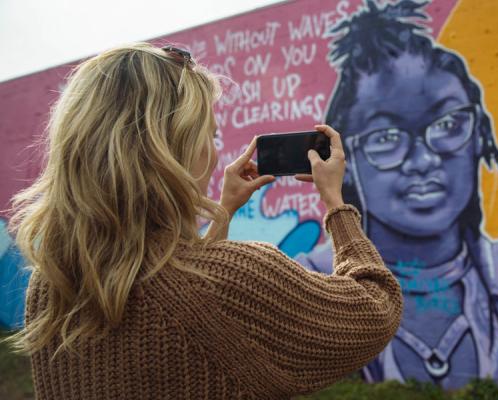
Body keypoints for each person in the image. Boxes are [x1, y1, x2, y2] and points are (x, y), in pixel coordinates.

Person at [7, 43, 403, 400]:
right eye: (209, 137)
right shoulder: (237, 277)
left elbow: (181, 297)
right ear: (169, 149)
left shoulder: (53, 285)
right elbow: (376, 307)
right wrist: (336, 202)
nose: (214, 156)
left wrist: (225, 211)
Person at [297, 2, 498, 398]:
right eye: (385, 139)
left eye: (449, 125)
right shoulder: (304, 292)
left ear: (479, 138)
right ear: (343, 161)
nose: (424, 160)